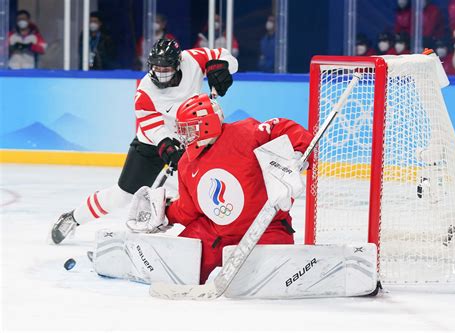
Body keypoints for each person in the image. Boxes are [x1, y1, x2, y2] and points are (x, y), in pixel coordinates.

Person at [50, 39, 238, 244]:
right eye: (156, 69)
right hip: (152, 143)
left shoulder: (192, 59)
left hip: (195, 137)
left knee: (211, 183)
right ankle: (74, 217)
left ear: (178, 64)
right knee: (122, 195)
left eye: (166, 69)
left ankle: (221, 230)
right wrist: (166, 145)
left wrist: (222, 67)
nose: (160, 74)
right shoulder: (145, 92)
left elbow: (226, 55)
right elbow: (153, 127)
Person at [126, 94, 313, 284]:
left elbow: (282, 127)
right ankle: (139, 262)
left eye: (189, 129)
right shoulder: (186, 163)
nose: (185, 136)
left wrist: (299, 151)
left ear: (207, 123)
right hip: (217, 233)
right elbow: (188, 210)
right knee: (175, 269)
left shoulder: (245, 133)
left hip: (267, 227)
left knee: (271, 280)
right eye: (183, 130)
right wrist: (166, 212)